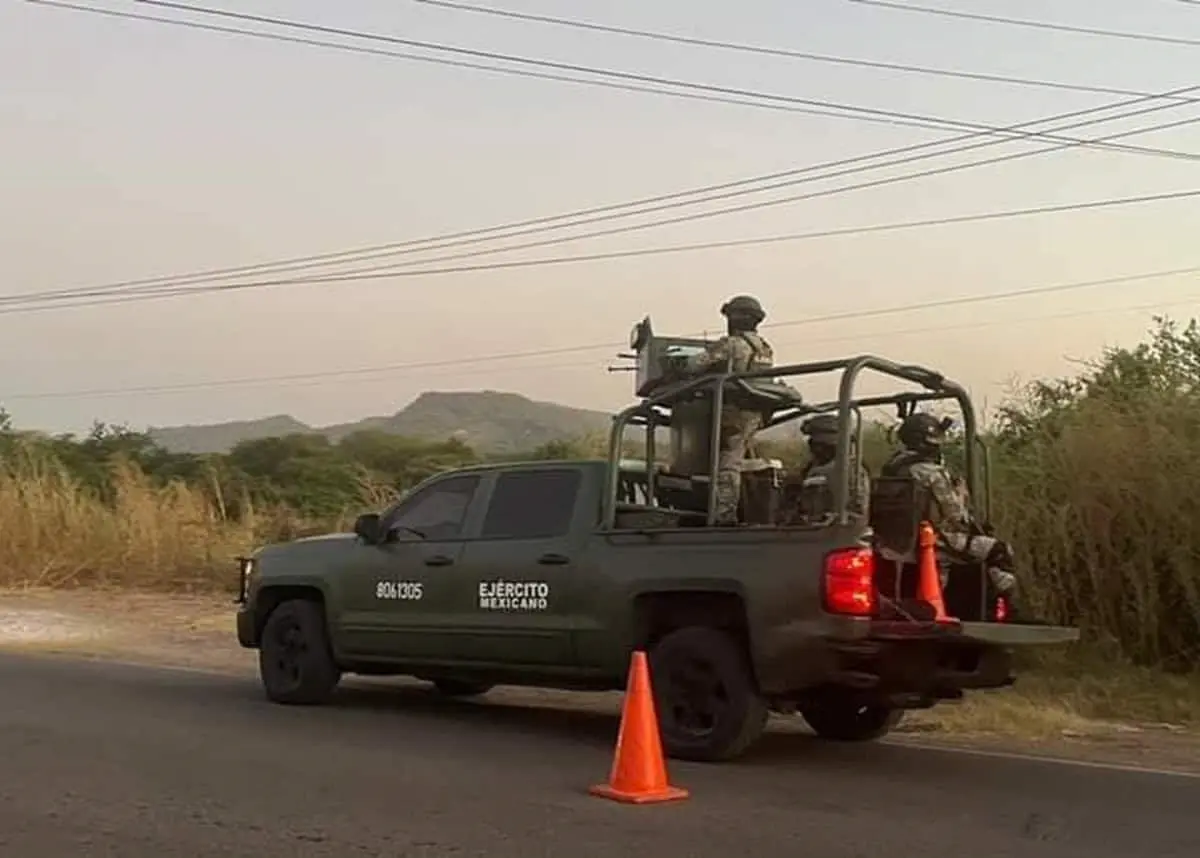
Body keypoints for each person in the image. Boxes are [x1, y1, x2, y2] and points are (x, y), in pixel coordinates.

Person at [880, 412, 1018, 599]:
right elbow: (956, 516)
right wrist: (961, 494)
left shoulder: (892, 468)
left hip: (895, 543)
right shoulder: (932, 473)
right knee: (999, 550)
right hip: (935, 540)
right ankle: (1003, 606)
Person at [678, 295, 775, 525]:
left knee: (726, 465)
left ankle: (725, 516)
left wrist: (679, 365)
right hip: (755, 412)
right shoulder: (765, 348)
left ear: (736, 318)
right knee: (744, 461)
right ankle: (753, 511)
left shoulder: (731, 344)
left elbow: (694, 365)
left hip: (733, 411)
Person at [795, 413, 871, 522]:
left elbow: (855, 510)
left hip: (834, 531)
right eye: (813, 444)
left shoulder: (848, 469)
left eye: (820, 445)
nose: (816, 450)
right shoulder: (813, 467)